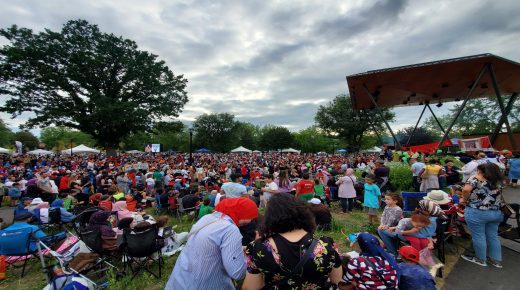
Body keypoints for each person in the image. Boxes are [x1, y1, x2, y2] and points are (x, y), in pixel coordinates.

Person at [243, 193, 342, 289]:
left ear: (270, 217)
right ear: (304, 214)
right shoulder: (327, 244)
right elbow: (336, 279)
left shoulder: (258, 248)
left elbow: (252, 286)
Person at [166, 197, 258, 290]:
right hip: (205, 284)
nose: (250, 221)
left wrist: (239, 248)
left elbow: (210, 247)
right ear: (241, 213)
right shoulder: (230, 229)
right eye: (250, 216)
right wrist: (252, 255)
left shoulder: (207, 218)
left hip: (181, 280)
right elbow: (237, 273)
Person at [461, 162, 505, 268]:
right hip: (495, 212)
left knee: (478, 236)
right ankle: (496, 260)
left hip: (477, 212)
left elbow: (466, 189)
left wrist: (464, 199)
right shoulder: (499, 181)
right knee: (493, 236)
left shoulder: (475, 178)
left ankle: (480, 259)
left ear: (481, 171)